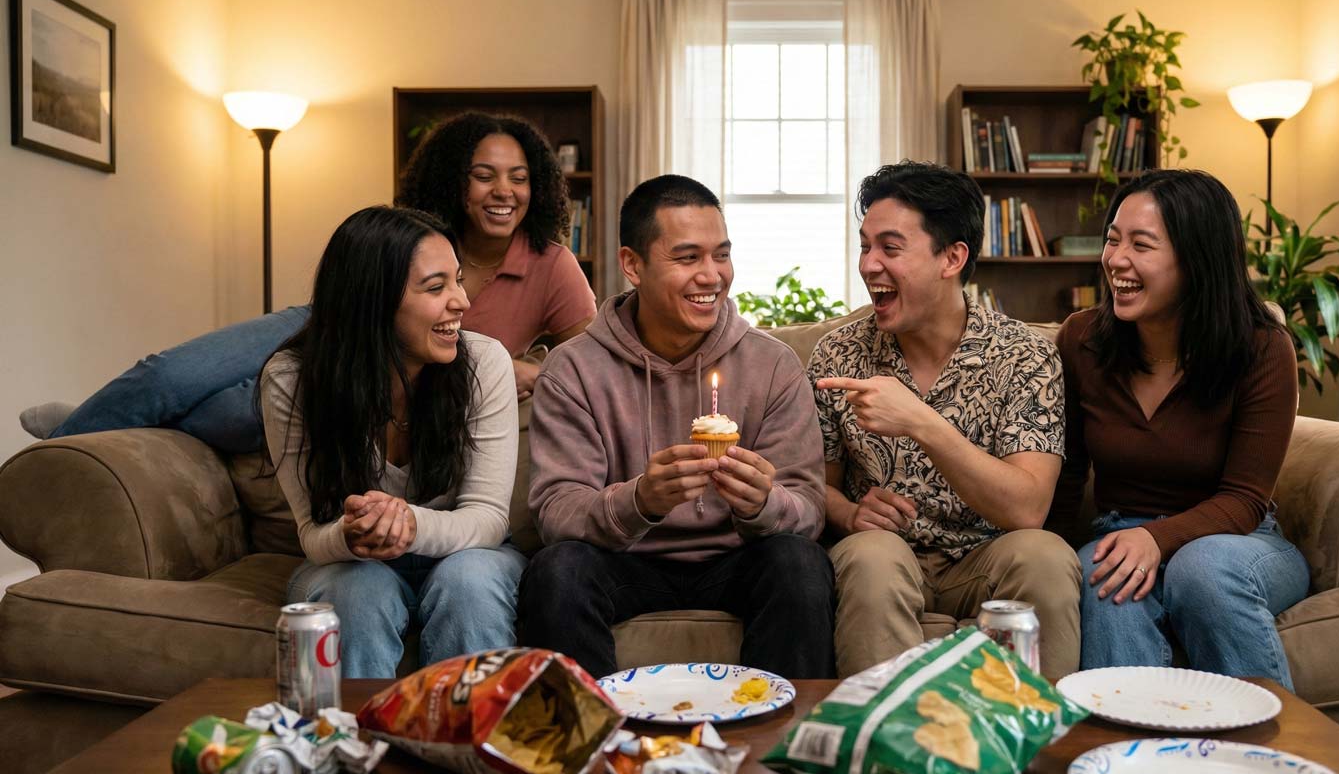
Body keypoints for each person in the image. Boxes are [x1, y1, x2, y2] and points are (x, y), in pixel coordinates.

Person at [27, 112, 595, 452]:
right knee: (169, 373)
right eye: (484, 176)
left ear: (537, 186)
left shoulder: (551, 264)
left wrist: (532, 370)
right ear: (454, 181)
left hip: (382, 377)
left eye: (519, 178)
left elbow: (593, 364)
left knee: (237, 413)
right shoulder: (412, 235)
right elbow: (355, 289)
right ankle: (72, 440)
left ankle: (92, 428)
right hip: (329, 322)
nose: (504, 191)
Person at [518, 174, 833, 680]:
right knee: (556, 571)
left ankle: (781, 729)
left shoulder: (773, 365)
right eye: (687, 258)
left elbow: (809, 510)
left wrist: (762, 502)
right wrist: (640, 500)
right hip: (623, 561)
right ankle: (590, 729)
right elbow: (556, 512)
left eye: (721, 255)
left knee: (800, 563)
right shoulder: (574, 368)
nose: (712, 276)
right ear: (632, 265)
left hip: (739, 558)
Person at [809, 161, 1080, 680]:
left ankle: (1027, 725)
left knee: (1044, 556)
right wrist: (849, 513)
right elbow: (812, 486)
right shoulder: (838, 354)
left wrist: (922, 422)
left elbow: (1028, 507)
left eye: (890, 248)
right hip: (885, 555)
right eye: (864, 247)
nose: (869, 265)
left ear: (952, 257)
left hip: (986, 556)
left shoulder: (1025, 355)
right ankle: (885, 728)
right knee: (870, 557)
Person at [1051, 168, 1304, 688]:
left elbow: (1246, 499)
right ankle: (1130, 740)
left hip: (1237, 540)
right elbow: (1066, 474)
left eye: (1141, 245)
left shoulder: (1262, 347)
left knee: (1200, 570)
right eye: (1113, 240)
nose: (1116, 259)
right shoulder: (1082, 341)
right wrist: (1044, 556)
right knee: (1106, 577)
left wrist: (1157, 537)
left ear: (1197, 259)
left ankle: (1268, 736)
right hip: (1118, 531)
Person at [263, 205, 524, 676]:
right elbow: (312, 534)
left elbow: (487, 518)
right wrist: (349, 534)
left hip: (468, 553)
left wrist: (407, 524)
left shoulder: (485, 363)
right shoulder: (293, 380)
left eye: (458, 280)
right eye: (436, 287)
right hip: (350, 566)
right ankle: (353, 725)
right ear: (373, 300)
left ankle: (469, 724)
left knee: (469, 583)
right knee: (357, 591)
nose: (462, 302)